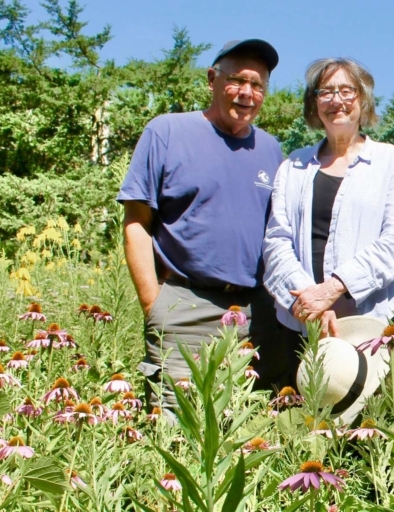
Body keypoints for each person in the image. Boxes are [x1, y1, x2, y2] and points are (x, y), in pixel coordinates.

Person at [117, 39, 292, 410]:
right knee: (177, 431)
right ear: (212, 79)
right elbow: (136, 221)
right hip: (187, 307)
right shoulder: (167, 132)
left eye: (258, 84)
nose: (247, 93)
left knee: (252, 429)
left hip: (256, 315)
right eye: (237, 80)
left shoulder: (271, 149)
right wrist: (155, 304)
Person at [262, 57, 394, 361]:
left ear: (363, 100)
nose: (337, 101)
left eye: (347, 91)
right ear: (314, 103)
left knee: (375, 408)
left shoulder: (392, 161)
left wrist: (332, 289)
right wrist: (309, 303)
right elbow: (276, 242)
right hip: (301, 326)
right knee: (300, 406)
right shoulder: (293, 165)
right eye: (326, 92)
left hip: (371, 328)